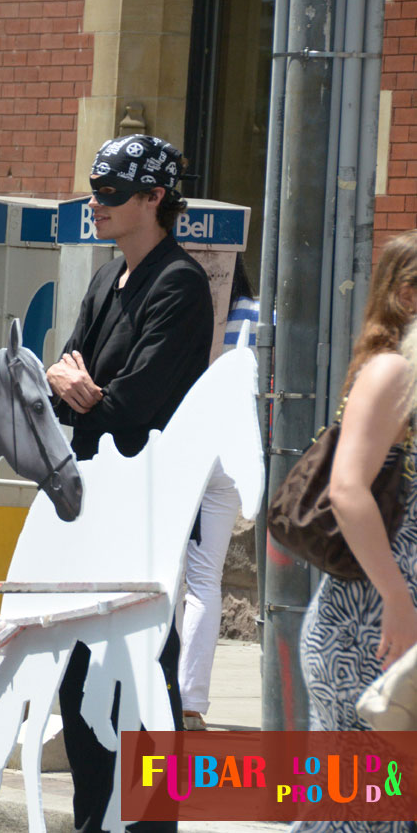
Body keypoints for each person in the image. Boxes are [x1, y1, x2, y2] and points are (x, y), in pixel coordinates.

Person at [45, 134, 213, 832]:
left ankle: (149, 822)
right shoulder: (103, 279)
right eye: (93, 188)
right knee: (81, 679)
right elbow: (59, 389)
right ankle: (95, 821)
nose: (95, 203)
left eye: (111, 192)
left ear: (154, 199)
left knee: (140, 674)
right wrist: (75, 389)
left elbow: (127, 408)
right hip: (91, 506)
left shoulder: (177, 283)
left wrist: (82, 390)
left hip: (141, 509)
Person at [295, 229, 417, 833]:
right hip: (370, 634)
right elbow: (346, 490)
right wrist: (398, 601)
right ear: (408, 296)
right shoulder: (392, 373)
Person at [179, 259, 259, 731]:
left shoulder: (183, 304)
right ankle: (191, 701)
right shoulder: (256, 316)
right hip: (233, 451)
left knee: (171, 580)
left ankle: (166, 692)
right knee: (206, 579)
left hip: (188, 446)